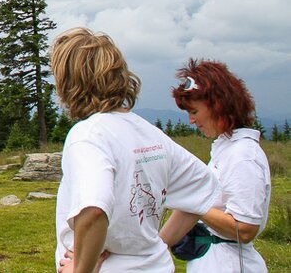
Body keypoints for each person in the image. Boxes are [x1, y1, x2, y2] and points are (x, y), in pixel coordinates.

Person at [51, 28, 219, 273]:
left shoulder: (88, 136)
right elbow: (202, 187)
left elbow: (94, 210)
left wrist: (82, 267)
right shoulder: (147, 132)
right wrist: (155, 246)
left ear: (69, 80)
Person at [160, 59, 272, 272]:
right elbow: (192, 208)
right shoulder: (226, 150)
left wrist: (192, 200)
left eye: (194, 112)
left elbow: (245, 229)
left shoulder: (243, 156)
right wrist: (153, 247)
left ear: (217, 105)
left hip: (230, 264)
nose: (191, 121)